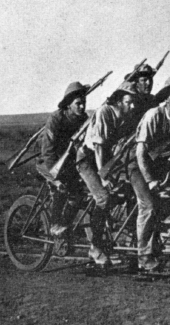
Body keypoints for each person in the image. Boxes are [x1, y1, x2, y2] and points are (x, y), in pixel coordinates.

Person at [130, 75, 170, 271]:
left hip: (160, 165)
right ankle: (144, 256)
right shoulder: (154, 115)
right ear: (167, 98)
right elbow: (140, 152)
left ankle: (153, 243)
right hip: (137, 165)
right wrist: (150, 180)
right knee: (148, 205)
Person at [76, 81, 137, 265]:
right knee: (103, 197)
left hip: (105, 161)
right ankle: (95, 248)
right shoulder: (105, 112)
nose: (132, 106)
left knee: (125, 191)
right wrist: (103, 177)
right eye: (128, 102)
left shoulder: (125, 116)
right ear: (118, 101)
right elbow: (99, 147)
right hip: (88, 160)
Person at [36, 82, 89, 236]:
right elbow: (47, 151)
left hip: (67, 164)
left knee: (79, 195)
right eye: (78, 104)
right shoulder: (56, 119)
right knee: (62, 187)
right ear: (68, 105)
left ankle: (65, 226)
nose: (82, 107)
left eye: (83, 103)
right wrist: (56, 176)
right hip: (47, 162)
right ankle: (55, 224)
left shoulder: (83, 119)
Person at [122, 64, 158, 134]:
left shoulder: (153, 100)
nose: (148, 83)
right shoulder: (130, 100)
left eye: (150, 79)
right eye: (144, 80)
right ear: (136, 83)